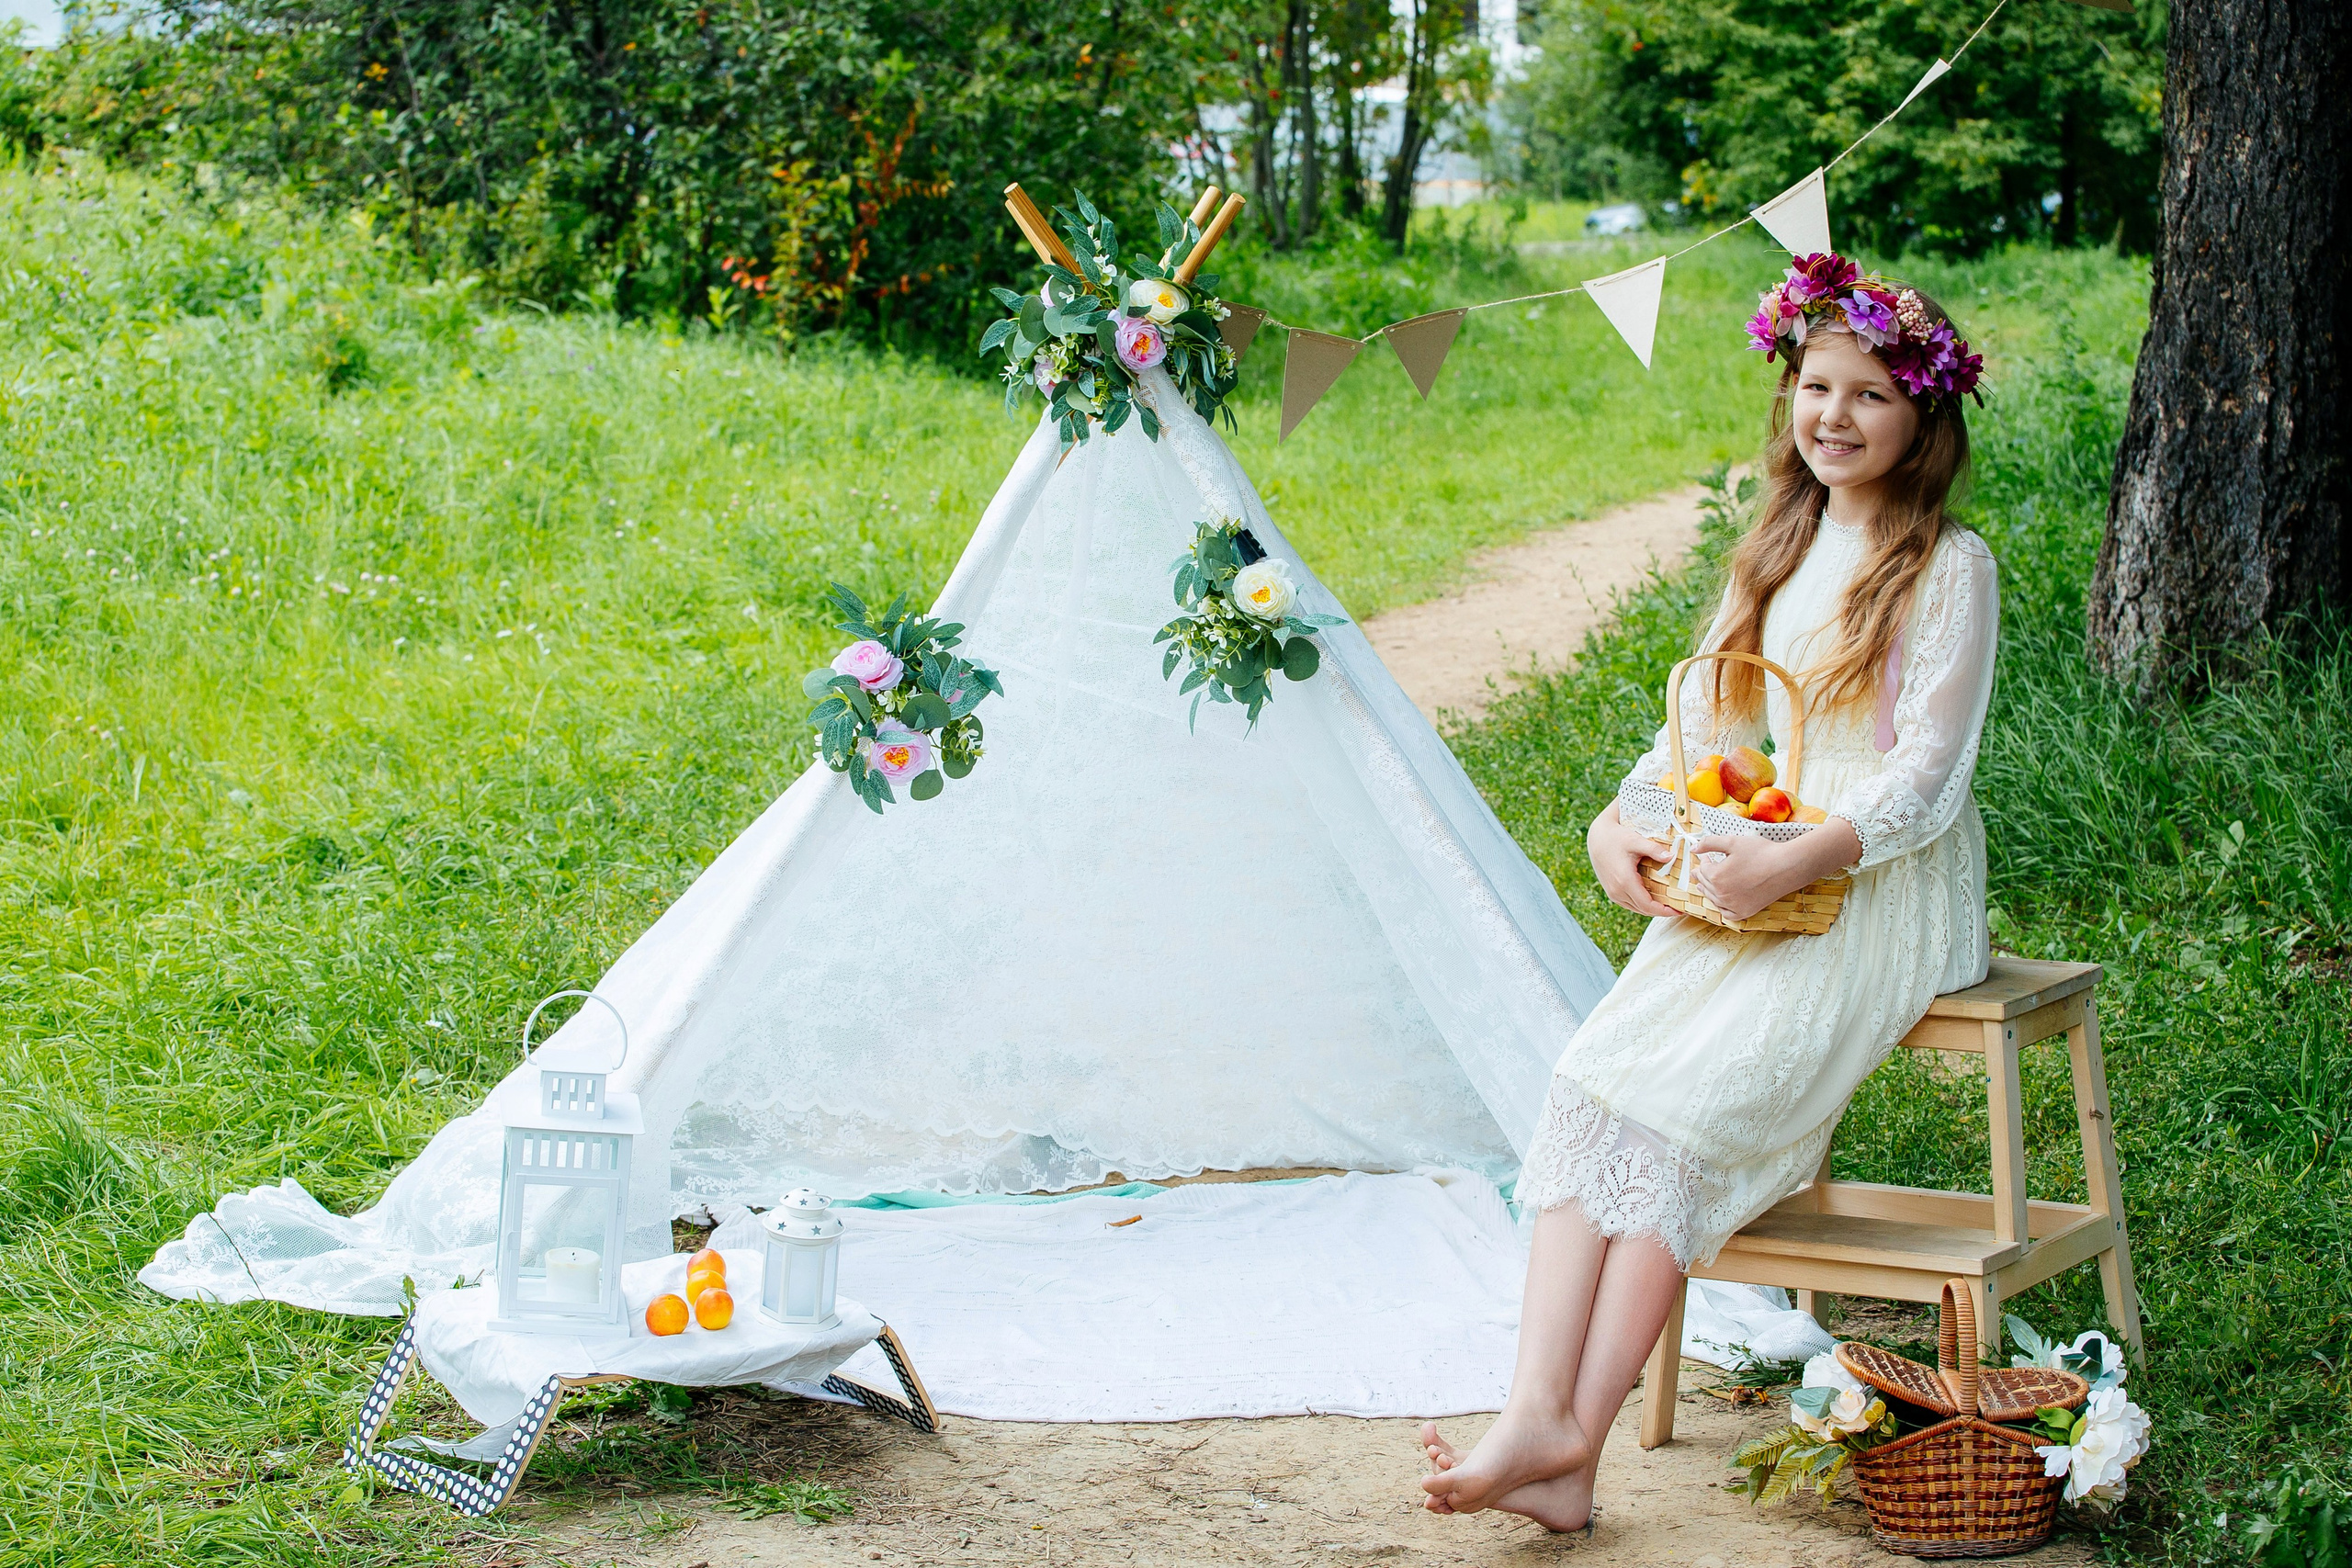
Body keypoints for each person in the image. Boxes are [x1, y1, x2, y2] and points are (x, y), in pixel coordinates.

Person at [1419, 253, 1998, 1532]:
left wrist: (1800, 856)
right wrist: (1620, 818)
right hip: (1755, 851)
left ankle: (1576, 1434)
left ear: (1925, 417)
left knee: (1678, 1116)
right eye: (1815, 386)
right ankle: (1541, 1425)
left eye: (1871, 395)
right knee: (1592, 1084)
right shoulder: (1781, 542)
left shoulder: (1948, 565)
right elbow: (1709, 718)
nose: (1835, 416)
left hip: (1869, 873)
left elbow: (1930, 777)